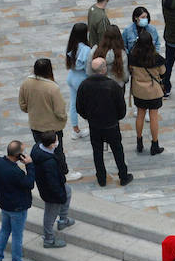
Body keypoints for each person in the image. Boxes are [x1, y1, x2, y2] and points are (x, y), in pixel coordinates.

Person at [76, 56, 133, 186]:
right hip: (111, 125)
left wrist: (88, 117)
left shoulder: (84, 85)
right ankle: (123, 176)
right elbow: (121, 108)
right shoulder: (112, 85)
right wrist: (116, 118)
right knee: (117, 150)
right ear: (104, 69)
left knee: (97, 152)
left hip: (95, 125)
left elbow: (79, 106)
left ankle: (101, 178)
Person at [0, 140, 35, 261]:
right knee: (17, 236)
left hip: (4, 204)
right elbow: (30, 183)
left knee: (4, 230)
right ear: (19, 156)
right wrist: (30, 166)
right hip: (17, 208)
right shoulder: (15, 172)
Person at [18, 59, 69, 167]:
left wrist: (32, 110)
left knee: (40, 150)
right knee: (57, 152)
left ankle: (43, 171)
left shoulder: (26, 83)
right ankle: (63, 172)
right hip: (52, 128)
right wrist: (63, 119)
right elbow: (60, 111)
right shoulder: (52, 88)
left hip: (35, 125)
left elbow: (22, 105)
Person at [128, 32, 166, 153]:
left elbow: (130, 71)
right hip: (153, 91)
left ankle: (139, 142)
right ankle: (154, 145)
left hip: (139, 92)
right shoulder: (156, 58)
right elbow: (163, 72)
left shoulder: (132, 57)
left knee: (140, 115)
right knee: (154, 116)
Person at [64, 23, 93, 142]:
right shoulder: (86, 49)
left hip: (71, 77)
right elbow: (88, 68)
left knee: (73, 105)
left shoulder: (71, 45)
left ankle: (76, 130)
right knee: (89, 105)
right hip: (81, 80)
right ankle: (93, 126)